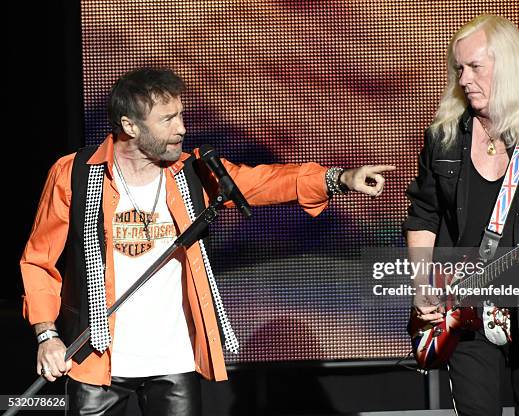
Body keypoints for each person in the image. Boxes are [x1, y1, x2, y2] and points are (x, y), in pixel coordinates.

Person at [20, 67, 395, 415]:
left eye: (181, 115)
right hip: (96, 359)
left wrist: (339, 178)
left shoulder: (194, 171)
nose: (182, 128)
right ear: (129, 126)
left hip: (173, 360)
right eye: (167, 119)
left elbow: (262, 181)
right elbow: (38, 260)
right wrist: (47, 334)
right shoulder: (75, 174)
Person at [402, 15, 519, 416]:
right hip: (462, 308)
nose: (464, 79)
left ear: (506, 66)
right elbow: (423, 215)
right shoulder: (445, 135)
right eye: (459, 69)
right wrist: (422, 286)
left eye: (475, 67)